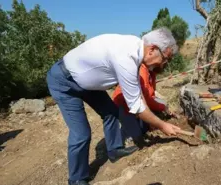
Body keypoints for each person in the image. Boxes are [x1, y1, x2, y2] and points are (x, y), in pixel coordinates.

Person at [46, 27, 181, 185]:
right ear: (152, 50)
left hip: (86, 82)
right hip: (65, 81)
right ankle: (76, 179)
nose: (164, 63)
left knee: (111, 112)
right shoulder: (126, 57)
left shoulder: (136, 50)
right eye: (165, 58)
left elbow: (137, 95)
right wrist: (162, 125)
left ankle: (115, 150)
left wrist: (155, 119)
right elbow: (136, 106)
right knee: (81, 133)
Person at [112, 64, 178, 144]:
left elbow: (152, 95)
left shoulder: (152, 73)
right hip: (124, 105)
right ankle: (122, 132)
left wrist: (164, 106)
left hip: (139, 103)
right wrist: (162, 108)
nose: (164, 63)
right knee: (137, 137)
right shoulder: (142, 71)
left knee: (145, 126)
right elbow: (146, 99)